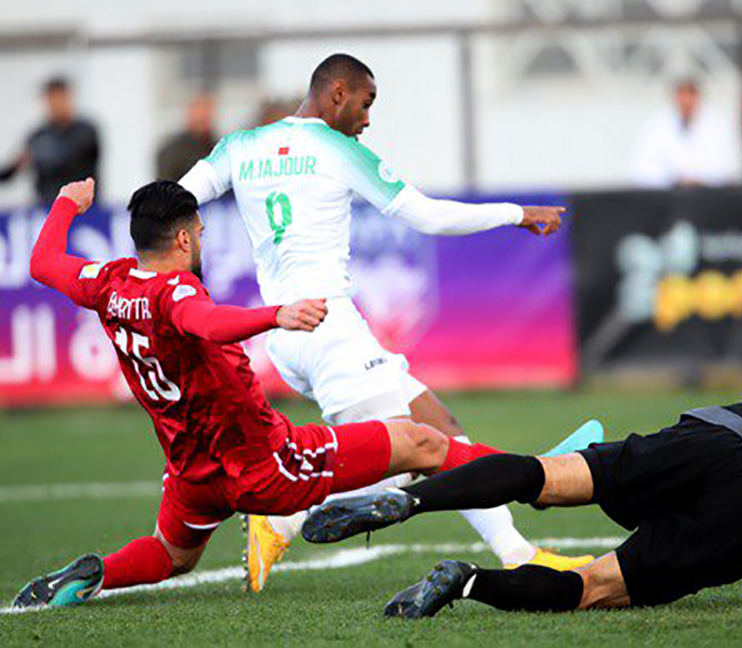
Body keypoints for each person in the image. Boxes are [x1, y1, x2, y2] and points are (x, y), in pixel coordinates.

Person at [11, 177, 540, 610]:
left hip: (191, 471)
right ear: (183, 240)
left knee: (172, 556)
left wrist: (64, 204)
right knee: (419, 443)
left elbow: (42, 263)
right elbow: (207, 322)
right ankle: (537, 475)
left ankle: (96, 573)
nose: (201, 242)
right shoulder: (176, 291)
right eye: (199, 232)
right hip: (263, 462)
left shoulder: (109, 281)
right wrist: (276, 315)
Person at [179, 52, 589, 592]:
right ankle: (284, 515)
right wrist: (516, 213)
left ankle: (518, 553)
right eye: (367, 104)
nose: (368, 119)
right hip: (328, 327)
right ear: (338, 93)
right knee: (401, 459)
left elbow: (177, 199)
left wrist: (178, 264)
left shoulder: (240, 147)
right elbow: (426, 215)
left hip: (285, 329)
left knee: (439, 427)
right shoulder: (338, 149)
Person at [302, 321, 742, 618]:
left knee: (547, 476)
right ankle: (467, 583)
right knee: (595, 587)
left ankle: (414, 501)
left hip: (714, 434)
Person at [0, 77, 100, 206]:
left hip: (82, 208)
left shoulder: (86, 131)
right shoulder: (38, 135)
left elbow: (70, 162)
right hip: (47, 207)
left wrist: (38, 154)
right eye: (51, 99)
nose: (55, 105)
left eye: (59, 98)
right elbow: (12, 170)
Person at [630, 78, 742, 188]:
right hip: (667, 198)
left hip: (709, 197)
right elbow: (643, 169)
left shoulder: (718, 126)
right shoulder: (656, 126)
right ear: (674, 97)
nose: (686, 101)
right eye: (681, 94)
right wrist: (676, 180)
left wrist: (698, 180)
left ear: (699, 97)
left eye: (691, 94)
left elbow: (729, 168)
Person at [156, 93, 218, 181]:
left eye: (207, 109)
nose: (202, 115)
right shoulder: (172, 152)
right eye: (198, 109)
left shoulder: (218, 148)